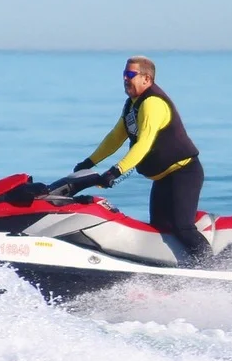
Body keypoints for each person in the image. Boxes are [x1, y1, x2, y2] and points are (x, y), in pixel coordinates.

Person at [71, 55, 213, 262]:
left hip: (184, 173)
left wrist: (116, 171)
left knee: (182, 227)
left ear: (147, 79)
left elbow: (144, 144)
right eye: (124, 74)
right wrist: (90, 162)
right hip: (163, 179)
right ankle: (170, 269)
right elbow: (115, 138)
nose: (125, 78)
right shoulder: (132, 104)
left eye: (130, 74)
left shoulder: (153, 103)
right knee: (159, 229)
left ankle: (212, 266)